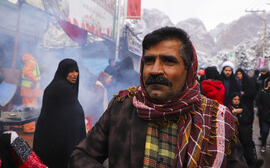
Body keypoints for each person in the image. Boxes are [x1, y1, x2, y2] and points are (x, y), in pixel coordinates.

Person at [69, 27, 247, 167]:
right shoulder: (121, 107)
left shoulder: (217, 120)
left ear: (189, 69)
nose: (155, 70)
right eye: (149, 61)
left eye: (169, 61)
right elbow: (81, 155)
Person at [33, 58, 86, 168]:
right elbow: (76, 114)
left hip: (47, 139)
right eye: (71, 71)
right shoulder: (63, 89)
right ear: (63, 71)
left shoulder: (55, 85)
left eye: (76, 71)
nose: (75, 74)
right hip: (57, 142)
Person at [228, 93, 263, 168]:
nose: (237, 101)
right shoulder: (228, 108)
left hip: (244, 133)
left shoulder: (243, 108)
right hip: (235, 134)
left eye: (238, 99)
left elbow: (248, 119)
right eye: (235, 99)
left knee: (248, 146)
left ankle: (252, 162)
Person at [256, 77, 270, 159]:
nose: (269, 83)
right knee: (265, 132)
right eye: (269, 82)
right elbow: (258, 101)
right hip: (265, 117)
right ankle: (263, 145)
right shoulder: (263, 92)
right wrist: (261, 109)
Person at [20, 53, 42, 133]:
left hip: (29, 90)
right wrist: (35, 80)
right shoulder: (31, 62)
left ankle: (24, 125)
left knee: (27, 108)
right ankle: (29, 128)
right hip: (30, 91)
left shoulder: (29, 62)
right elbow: (27, 73)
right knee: (31, 109)